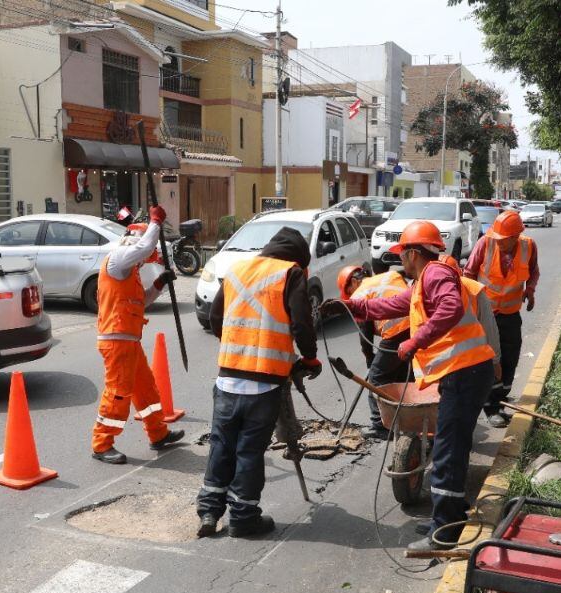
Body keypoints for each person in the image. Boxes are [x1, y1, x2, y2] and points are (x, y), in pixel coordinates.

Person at [332, 220, 497, 551]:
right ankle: (449, 515)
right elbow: (391, 305)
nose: (399, 261)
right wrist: (350, 306)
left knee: (448, 451)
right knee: (452, 447)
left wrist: (415, 341)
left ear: (411, 253)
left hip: (465, 373)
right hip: (466, 373)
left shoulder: (435, 274)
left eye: (401, 255)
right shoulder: (424, 282)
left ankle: (444, 533)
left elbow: (450, 308)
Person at [197, 227, 322, 538]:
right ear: (298, 258)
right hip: (264, 384)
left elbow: (216, 318)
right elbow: (302, 323)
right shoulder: (290, 273)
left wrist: (237, 346)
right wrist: (309, 357)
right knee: (249, 451)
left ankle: (209, 512)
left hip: (228, 378)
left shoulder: (238, 269)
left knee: (221, 446)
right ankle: (243, 517)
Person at [90, 206, 184, 465]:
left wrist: (159, 284)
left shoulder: (128, 274)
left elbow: (141, 302)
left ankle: (158, 433)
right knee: (118, 392)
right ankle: (102, 443)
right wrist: (155, 222)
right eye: (143, 259)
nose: (143, 262)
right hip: (116, 341)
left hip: (129, 341)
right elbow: (143, 248)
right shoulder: (118, 258)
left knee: (146, 389)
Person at [464, 209, 539, 428]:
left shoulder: (529, 246)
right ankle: (490, 407)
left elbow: (534, 271)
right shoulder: (485, 243)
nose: (499, 243)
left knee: (510, 360)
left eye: (504, 240)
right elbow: (468, 274)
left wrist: (530, 290)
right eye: (497, 238)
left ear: (516, 237)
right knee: (490, 361)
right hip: (485, 315)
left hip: (511, 314)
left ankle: (501, 402)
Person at [338, 264, 413, 441]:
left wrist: (370, 360)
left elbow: (365, 337)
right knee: (403, 377)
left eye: (348, 291)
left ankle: (380, 426)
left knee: (377, 377)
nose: (350, 295)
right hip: (418, 327)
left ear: (354, 281)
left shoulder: (359, 295)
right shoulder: (391, 275)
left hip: (398, 332)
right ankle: (409, 419)